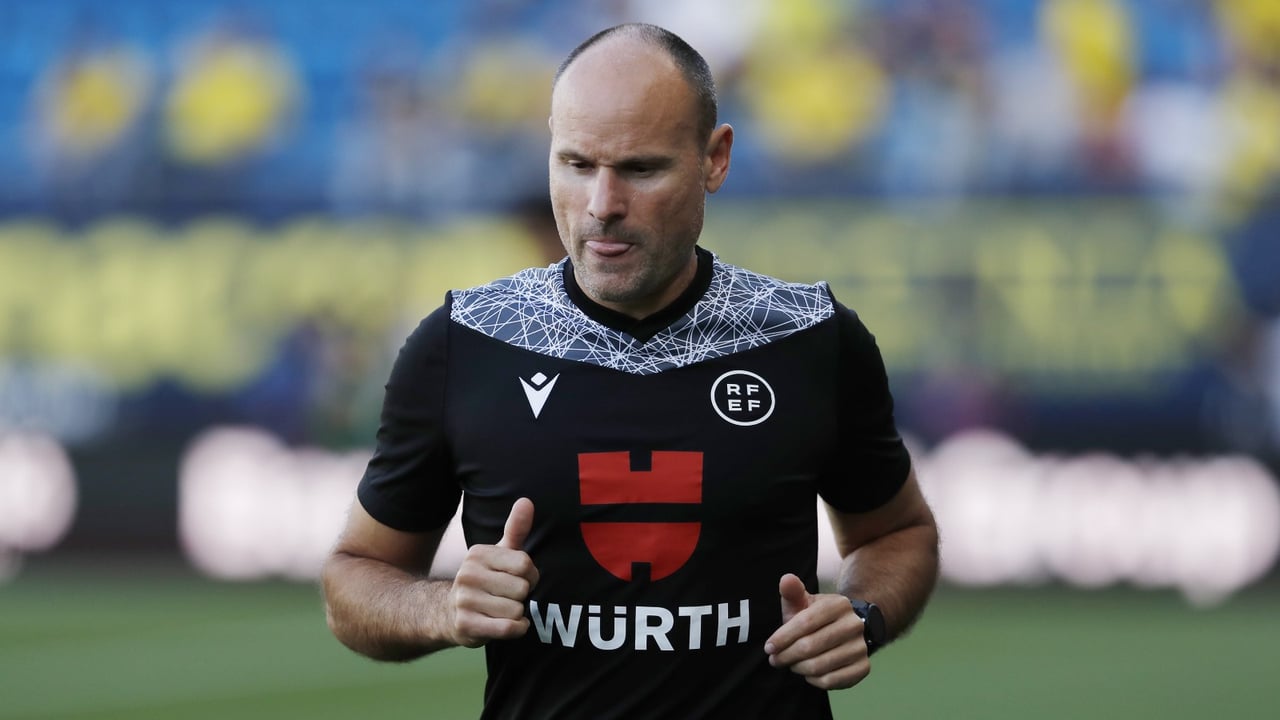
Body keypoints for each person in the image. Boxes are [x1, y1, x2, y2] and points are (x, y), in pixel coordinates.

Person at [322, 22, 939, 719]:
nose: (602, 205)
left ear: (715, 159)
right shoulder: (465, 342)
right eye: (576, 165)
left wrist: (863, 613)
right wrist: (440, 608)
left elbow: (898, 534)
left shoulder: (809, 338)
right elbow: (355, 577)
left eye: (640, 170)